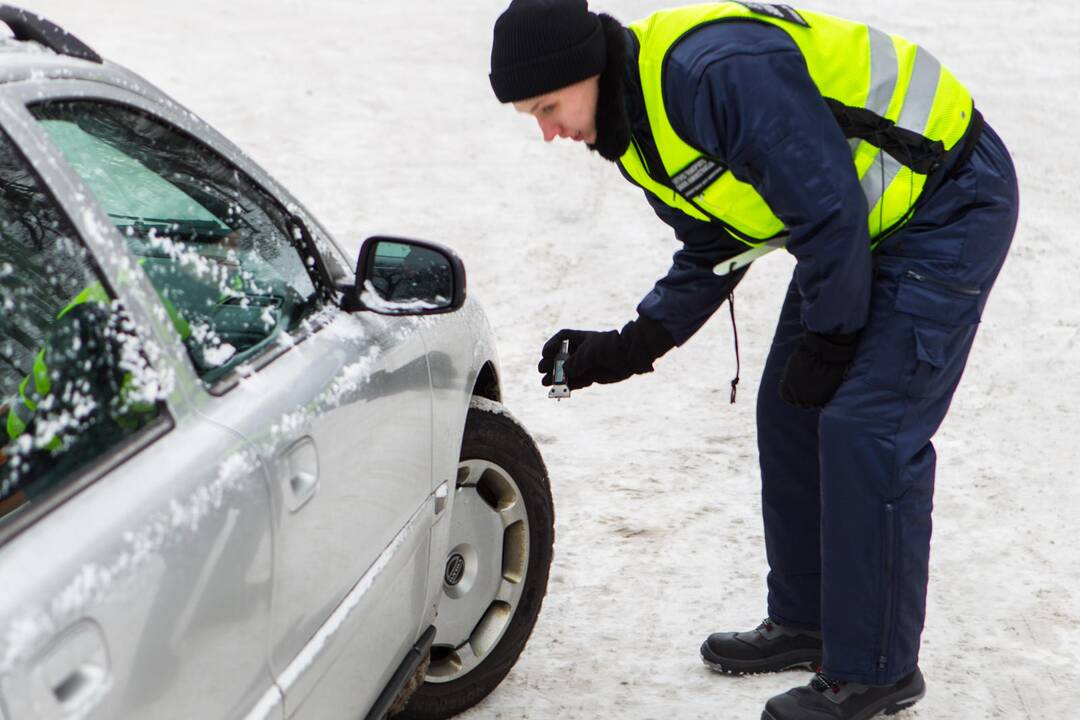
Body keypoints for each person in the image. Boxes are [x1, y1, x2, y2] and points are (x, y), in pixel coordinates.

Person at [488, 1, 1018, 718]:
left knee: (866, 427)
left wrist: (832, 342)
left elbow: (828, 207)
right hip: (858, 226)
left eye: (548, 107)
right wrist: (626, 347)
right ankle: (809, 620)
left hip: (946, 200)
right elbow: (716, 243)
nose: (548, 132)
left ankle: (877, 670)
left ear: (586, 69)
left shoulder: (715, 75)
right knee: (790, 407)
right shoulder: (633, 129)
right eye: (532, 118)